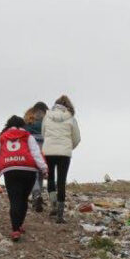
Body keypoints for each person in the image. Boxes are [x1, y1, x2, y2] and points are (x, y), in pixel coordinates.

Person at [0, 115, 49, 241]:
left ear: (8, 125)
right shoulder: (28, 136)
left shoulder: (2, 137)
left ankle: (15, 230)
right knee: (23, 199)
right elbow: (36, 153)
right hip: (28, 170)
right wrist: (44, 169)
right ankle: (20, 224)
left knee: (14, 199)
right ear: (23, 125)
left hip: (10, 170)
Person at [42, 95, 81, 223]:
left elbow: (43, 133)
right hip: (64, 153)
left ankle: (53, 205)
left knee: (51, 178)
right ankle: (60, 214)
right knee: (61, 181)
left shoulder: (47, 116)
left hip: (48, 151)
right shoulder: (71, 118)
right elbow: (77, 138)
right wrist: (69, 147)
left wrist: (49, 143)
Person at [24, 102, 49, 212]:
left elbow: (24, 133)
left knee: (33, 172)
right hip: (45, 147)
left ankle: (36, 194)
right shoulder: (47, 119)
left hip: (31, 146)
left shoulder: (28, 118)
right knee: (41, 171)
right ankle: (38, 195)